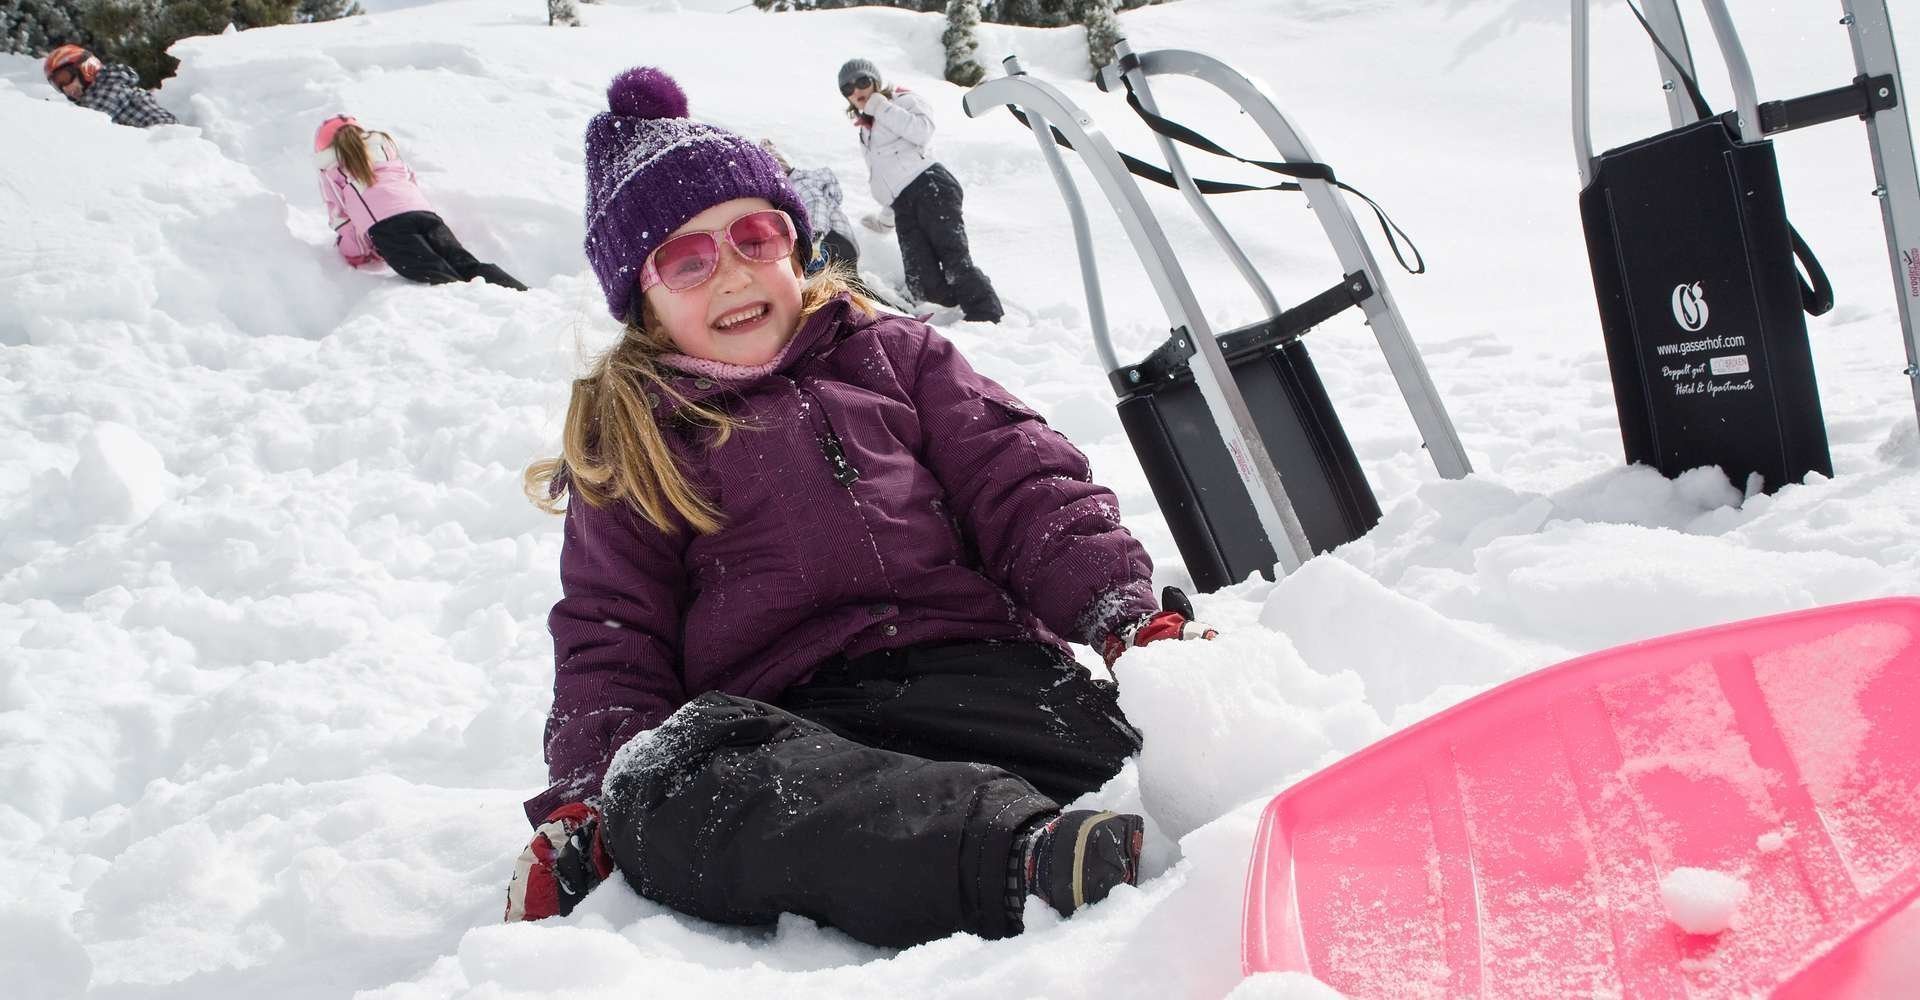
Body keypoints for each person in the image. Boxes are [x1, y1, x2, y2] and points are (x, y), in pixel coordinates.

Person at [504, 66, 1217, 948]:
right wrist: (587, 798)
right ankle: (1017, 857)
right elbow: (613, 632)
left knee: (1162, 754)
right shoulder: (634, 436)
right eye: (687, 259)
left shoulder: (895, 355)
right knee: (660, 789)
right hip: (796, 741)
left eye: (754, 236)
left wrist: (1123, 616)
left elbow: (1021, 485)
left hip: (983, 678)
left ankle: (1222, 807)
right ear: (640, 298)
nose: (731, 273)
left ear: (794, 244)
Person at [837, 57, 1004, 324]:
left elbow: (922, 131)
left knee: (954, 259)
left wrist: (881, 107)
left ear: (876, 81)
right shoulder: (866, 131)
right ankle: (970, 292)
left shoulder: (901, 101)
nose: (857, 90)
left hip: (930, 186)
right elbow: (887, 177)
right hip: (903, 204)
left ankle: (986, 316)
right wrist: (886, 219)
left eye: (863, 81)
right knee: (922, 282)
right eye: (848, 88)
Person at [313, 114, 527, 290]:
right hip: (425, 216)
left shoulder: (331, 170)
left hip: (390, 229)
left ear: (324, 147)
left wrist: (356, 254)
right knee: (466, 265)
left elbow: (344, 219)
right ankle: (520, 294)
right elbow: (411, 181)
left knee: (437, 278)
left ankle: (473, 313)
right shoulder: (386, 150)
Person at [758, 138, 860, 275]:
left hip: (833, 239)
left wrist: (815, 236)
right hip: (836, 241)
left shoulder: (799, 183)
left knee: (839, 278)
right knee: (840, 281)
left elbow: (816, 202)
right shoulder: (791, 187)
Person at [43, 45, 176, 128]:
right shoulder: (95, 96)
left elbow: (91, 123)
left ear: (86, 68)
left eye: (65, 79)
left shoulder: (110, 86)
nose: (65, 89)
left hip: (163, 144)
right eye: (58, 85)